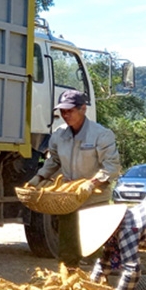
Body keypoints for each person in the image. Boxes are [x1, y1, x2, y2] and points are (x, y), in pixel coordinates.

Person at [27, 89, 121, 265]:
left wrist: (92, 183)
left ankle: (96, 284)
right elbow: (54, 160)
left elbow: (112, 167)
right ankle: (68, 282)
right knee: (68, 250)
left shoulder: (101, 134)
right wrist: (39, 178)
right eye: (62, 111)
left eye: (69, 111)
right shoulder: (59, 134)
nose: (65, 115)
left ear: (83, 109)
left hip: (94, 200)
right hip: (68, 199)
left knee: (92, 250)